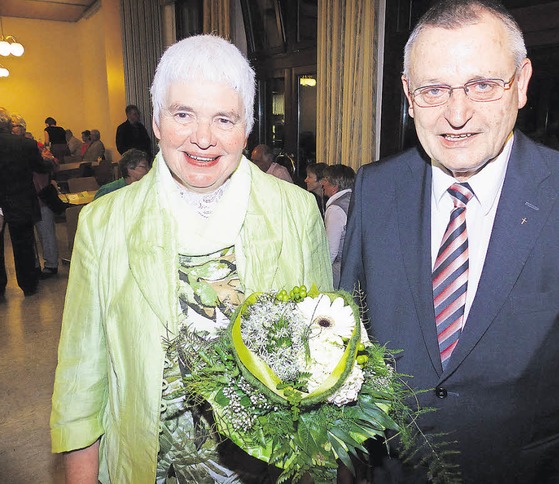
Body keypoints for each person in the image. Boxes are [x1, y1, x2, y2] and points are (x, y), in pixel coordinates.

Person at [339, 1, 559, 483]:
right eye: (434, 90)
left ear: (520, 84)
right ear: (408, 95)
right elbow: (346, 343)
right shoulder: (375, 190)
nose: (457, 115)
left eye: (482, 85)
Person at [50, 34, 332, 483]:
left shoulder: (296, 212)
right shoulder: (105, 222)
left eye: (224, 118)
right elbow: (82, 373)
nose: (203, 138)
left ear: (247, 128)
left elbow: (324, 356)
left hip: (267, 470)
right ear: (157, 122)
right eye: (184, 114)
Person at [0, 108, 53, 297]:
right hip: (19, 198)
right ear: (7, 124)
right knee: (23, 244)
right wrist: (49, 161)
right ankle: (28, 285)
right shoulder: (26, 144)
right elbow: (39, 166)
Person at [11, 114, 60, 278]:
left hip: (39, 196)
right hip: (28, 197)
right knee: (33, 235)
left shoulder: (36, 147)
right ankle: (37, 265)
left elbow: (53, 164)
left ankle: (51, 265)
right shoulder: (27, 148)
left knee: (45, 233)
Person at [322, 164, 355, 287]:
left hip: (341, 269)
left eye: (325, 179)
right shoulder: (355, 199)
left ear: (335, 186)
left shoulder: (336, 209)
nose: (322, 183)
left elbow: (331, 251)